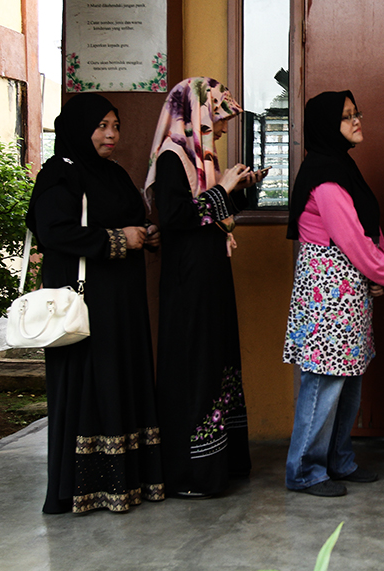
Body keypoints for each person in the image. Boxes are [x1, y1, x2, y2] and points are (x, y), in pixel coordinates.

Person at [27, 93, 164, 514]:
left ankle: (130, 482)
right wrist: (119, 239)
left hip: (121, 303)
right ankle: (83, 489)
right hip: (86, 304)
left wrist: (146, 233)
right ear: (78, 128)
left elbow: (130, 218)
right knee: (93, 383)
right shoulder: (60, 174)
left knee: (122, 378)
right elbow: (53, 231)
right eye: (102, 125)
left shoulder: (112, 173)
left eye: (116, 126)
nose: (111, 134)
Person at [144, 77, 264, 497]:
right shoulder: (173, 157)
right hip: (189, 280)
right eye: (220, 116)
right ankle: (190, 473)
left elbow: (210, 213)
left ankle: (221, 463)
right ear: (197, 113)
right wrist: (222, 190)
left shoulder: (201, 160)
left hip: (208, 276)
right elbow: (177, 216)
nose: (225, 127)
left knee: (217, 360)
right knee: (194, 366)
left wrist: (239, 189)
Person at [282, 91, 384, 497]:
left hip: (348, 293)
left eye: (356, 112)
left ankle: (338, 461)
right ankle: (305, 471)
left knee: (348, 380)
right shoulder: (325, 176)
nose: (356, 120)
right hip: (328, 295)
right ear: (328, 125)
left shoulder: (341, 167)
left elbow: (368, 225)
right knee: (324, 381)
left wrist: (379, 269)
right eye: (347, 116)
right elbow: (350, 237)